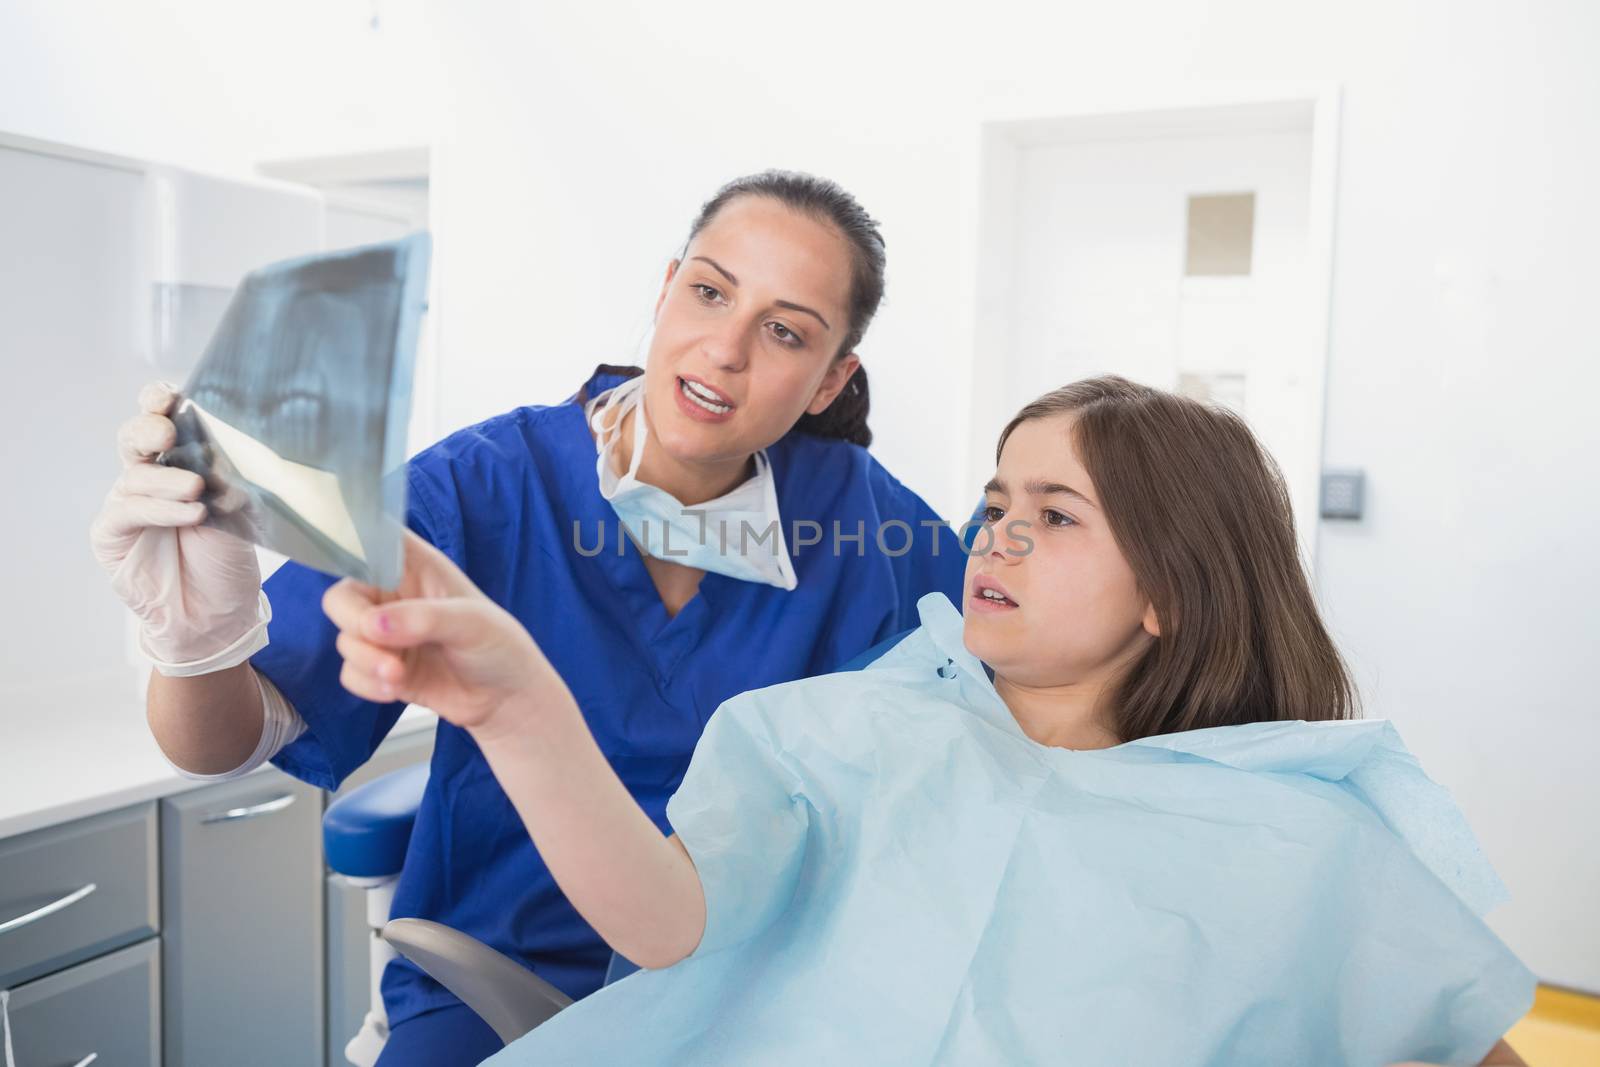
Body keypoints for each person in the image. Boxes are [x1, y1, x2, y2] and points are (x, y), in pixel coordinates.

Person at [321, 376, 1535, 1066]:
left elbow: (1462, 1038)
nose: (997, 533)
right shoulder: (858, 729)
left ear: (1170, 586)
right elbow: (662, 920)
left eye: (1056, 516)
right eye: (997, 500)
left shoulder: (1301, 840)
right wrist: (519, 702)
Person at [90, 171, 969, 1065]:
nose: (726, 349)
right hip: (492, 985)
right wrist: (196, 639)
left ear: (831, 381)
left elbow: (1018, 672)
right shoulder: (482, 487)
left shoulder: (868, 528)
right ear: (667, 291)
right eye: (709, 291)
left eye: (784, 331)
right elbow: (232, 740)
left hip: (746, 1004)